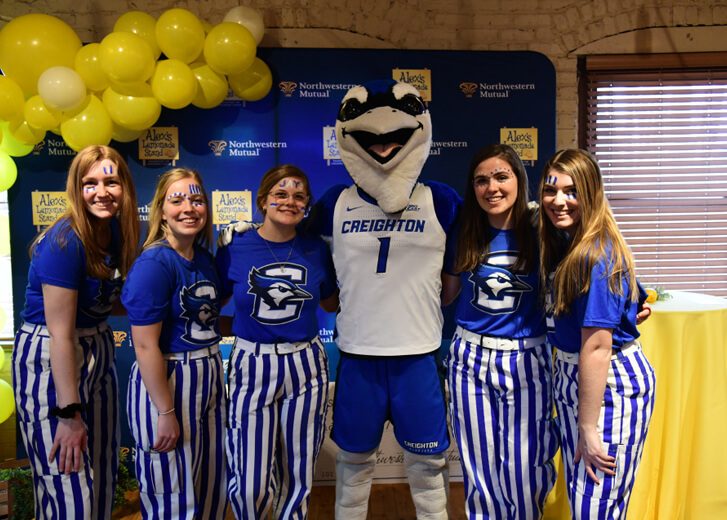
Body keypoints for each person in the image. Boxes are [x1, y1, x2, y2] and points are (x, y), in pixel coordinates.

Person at [12, 145, 139, 519]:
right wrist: (68, 414)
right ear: (76, 189)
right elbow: (61, 335)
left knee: (101, 483)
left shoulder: (117, 231)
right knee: (69, 489)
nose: (102, 192)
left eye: (111, 181)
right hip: (52, 356)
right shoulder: (64, 241)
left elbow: (105, 300)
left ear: (124, 187)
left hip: (96, 346)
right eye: (90, 183)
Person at [441, 144, 558, 520]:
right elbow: (447, 293)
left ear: (518, 180)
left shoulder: (543, 227)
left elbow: (592, 250)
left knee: (526, 469)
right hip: (470, 358)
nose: (491, 187)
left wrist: (631, 295)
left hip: (527, 357)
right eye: (481, 180)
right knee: (479, 469)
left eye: (501, 176)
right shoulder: (464, 229)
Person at [539, 149, 656, 519]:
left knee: (596, 505)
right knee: (584, 498)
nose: (559, 201)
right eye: (551, 190)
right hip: (576, 377)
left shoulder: (596, 251)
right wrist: (629, 307)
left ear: (590, 193)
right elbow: (635, 297)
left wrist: (588, 426)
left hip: (608, 384)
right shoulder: (567, 239)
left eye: (572, 191)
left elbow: (597, 347)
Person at [216, 164, 338, 519]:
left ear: (307, 205)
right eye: (281, 194)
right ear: (263, 199)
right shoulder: (235, 245)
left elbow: (332, 301)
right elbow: (211, 299)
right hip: (252, 363)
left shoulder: (317, 249)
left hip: (305, 363)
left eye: (299, 196)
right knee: (250, 476)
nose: (290, 201)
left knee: (297, 470)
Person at [121, 168, 227, 519]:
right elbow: (146, 345)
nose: (188, 207)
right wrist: (164, 412)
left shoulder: (205, 259)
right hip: (170, 381)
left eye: (197, 200)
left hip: (207, 376)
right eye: (177, 199)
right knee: (172, 494)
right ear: (161, 210)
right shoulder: (154, 263)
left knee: (211, 486)